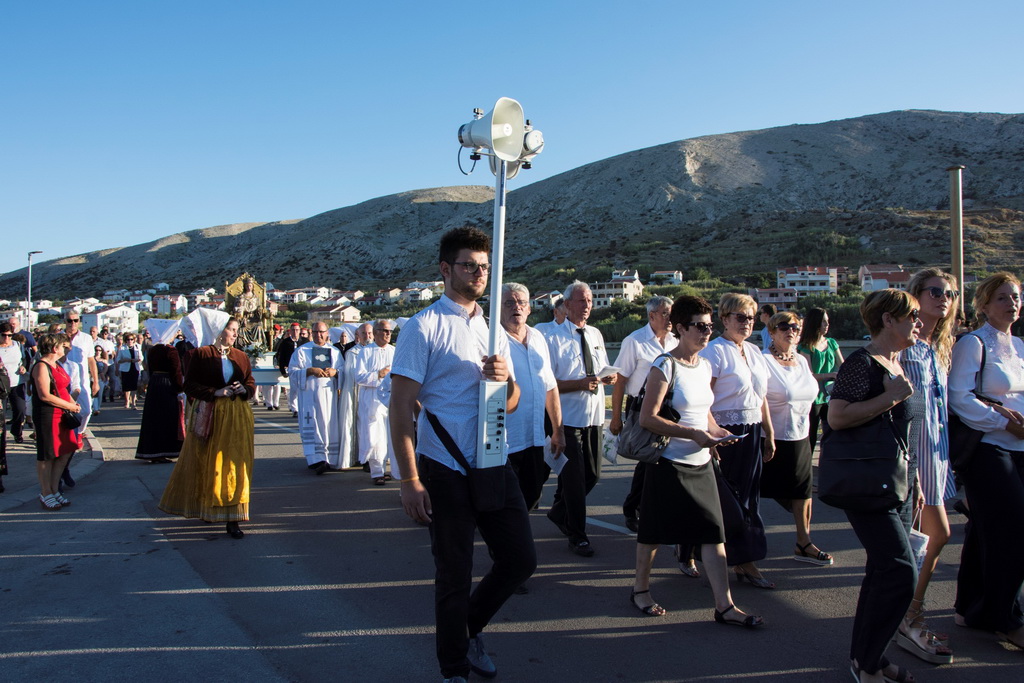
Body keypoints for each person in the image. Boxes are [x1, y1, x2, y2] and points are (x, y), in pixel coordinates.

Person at [390, 226, 533, 683]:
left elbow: (512, 401)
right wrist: (409, 480)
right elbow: (400, 408)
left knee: (520, 560)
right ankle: (453, 667)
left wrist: (505, 381)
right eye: (469, 265)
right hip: (445, 466)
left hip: (493, 458)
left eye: (484, 267)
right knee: (454, 573)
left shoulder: (493, 330)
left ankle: (467, 630)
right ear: (445, 269)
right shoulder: (423, 327)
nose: (479, 274)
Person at [629, 295, 761, 628]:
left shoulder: (704, 366)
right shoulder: (664, 365)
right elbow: (648, 418)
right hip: (668, 463)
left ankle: (724, 606)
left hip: (701, 463)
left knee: (714, 533)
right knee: (653, 533)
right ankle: (640, 590)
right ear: (680, 328)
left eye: (709, 326)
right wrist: (693, 434)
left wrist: (717, 432)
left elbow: (705, 413)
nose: (706, 333)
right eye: (699, 327)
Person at [827, 289, 921, 683]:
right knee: (900, 573)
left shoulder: (895, 363)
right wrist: (891, 397)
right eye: (912, 315)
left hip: (897, 482)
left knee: (882, 572)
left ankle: (869, 659)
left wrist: (915, 483)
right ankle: (867, 664)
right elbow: (837, 417)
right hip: (868, 483)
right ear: (888, 319)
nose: (918, 323)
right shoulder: (861, 363)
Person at [949, 272, 1024, 650]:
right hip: (988, 448)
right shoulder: (973, 343)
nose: (1012, 303)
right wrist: (1002, 423)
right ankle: (1004, 618)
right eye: (1002, 298)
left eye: (1016, 297)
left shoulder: (1020, 345)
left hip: (1019, 448)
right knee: (1013, 530)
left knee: (983, 530)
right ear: (983, 305)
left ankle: (969, 607)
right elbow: (959, 397)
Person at [893, 268, 959, 664]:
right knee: (931, 537)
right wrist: (910, 468)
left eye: (950, 293)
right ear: (916, 295)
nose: (944, 299)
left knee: (919, 542)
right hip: (913, 457)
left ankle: (906, 615)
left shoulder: (940, 346)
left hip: (938, 454)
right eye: (935, 291)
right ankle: (909, 617)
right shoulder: (905, 344)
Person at [700, 292, 775, 587]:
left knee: (749, 497)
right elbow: (703, 399)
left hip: (752, 430)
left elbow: (761, 397)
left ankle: (744, 558)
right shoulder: (715, 351)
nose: (746, 322)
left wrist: (769, 434)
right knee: (731, 500)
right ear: (724, 318)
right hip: (725, 433)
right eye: (740, 317)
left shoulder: (755, 352)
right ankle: (742, 561)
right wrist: (711, 437)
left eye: (751, 318)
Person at [159, 318, 256, 539]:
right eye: (231, 330)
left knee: (234, 465)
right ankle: (207, 507)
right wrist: (215, 392)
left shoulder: (241, 356)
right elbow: (189, 385)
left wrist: (245, 389)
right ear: (219, 331)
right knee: (208, 462)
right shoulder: (201, 354)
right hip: (210, 414)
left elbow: (250, 381)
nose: (235, 334)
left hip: (236, 416)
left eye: (236, 330)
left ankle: (234, 517)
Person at [546, 281, 616, 557]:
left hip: (594, 417)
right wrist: (580, 384)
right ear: (566, 304)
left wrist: (608, 377)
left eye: (589, 300)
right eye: (581, 300)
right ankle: (578, 536)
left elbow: (600, 370)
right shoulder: (552, 338)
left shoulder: (595, 333)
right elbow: (548, 384)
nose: (587, 305)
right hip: (567, 419)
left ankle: (559, 511)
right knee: (575, 482)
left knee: (593, 475)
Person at [760, 311, 832, 565]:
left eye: (796, 327)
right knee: (753, 491)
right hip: (770, 437)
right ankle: (740, 547)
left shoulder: (801, 360)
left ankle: (804, 542)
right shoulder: (763, 360)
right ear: (772, 332)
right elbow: (758, 398)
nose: (791, 330)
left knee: (803, 492)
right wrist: (768, 434)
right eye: (784, 326)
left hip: (801, 434)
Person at [609, 296, 677, 536]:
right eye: (665, 313)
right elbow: (620, 380)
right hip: (640, 407)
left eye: (672, 313)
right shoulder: (635, 341)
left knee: (664, 459)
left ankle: (647, 507)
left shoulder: (675, 341)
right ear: (652, 315)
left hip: (668, 408)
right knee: (648, 458)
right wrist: (616, 417)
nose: (670, 318)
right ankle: (633, 509)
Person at [500, 282, 564, 515]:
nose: (516, 307)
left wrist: (558, 430)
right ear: (498, 308)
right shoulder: (491, 340)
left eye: (521, 303)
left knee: (531, 497)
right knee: (506, 509)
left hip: (536, 440)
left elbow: (550, 387)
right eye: (509, 303)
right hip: (505, 443)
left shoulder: (537, 337)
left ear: (529, 308)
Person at [30, 333, 82, 510]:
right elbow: (44, 395)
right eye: (62, 346)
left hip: (63, 413)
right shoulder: (41, 366)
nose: (65, 349)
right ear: (54, 348)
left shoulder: (57, 365)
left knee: (64, 451)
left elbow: (62, 388)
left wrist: (72, 404)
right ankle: (46, 492)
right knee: (47, 454)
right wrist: (70, 405)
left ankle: (54, 489)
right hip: (48, 415)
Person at [289, 322, 345, 474]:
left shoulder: (334, 352)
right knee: (313, 425)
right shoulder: (302, 351)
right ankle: (315, 460)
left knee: (328, 425)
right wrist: (309, 371)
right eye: (315, 332)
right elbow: (292, 373)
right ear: (311, 333)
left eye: (321, 332)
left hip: (329, 397)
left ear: (327, 333)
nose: (318, 335)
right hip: (309, 397)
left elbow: (343, 371)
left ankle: (330, 459)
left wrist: (335, 372)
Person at [355, 319, 396, 484]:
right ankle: (377, 472)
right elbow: (359, 377)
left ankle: (388, 469)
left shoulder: (395, 351)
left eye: (390, 331)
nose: (388, 334)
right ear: (376, 332)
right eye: (385, 331)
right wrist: (379, 374)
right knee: (374, 436)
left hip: (391, 398)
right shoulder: (365, 352)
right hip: (372, 399)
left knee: (389, 435)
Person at [798, 307, 845, 454]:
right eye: (824, 322)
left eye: (828, 321)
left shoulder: (831, 343)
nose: (827, 325)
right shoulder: (805, 346)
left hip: (830, 395)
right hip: (813, 397)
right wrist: (830, 375)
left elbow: (843, 366)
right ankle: (808, 462)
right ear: (816, 323)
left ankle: (830, 460)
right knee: (811, 434)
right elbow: (808, 374)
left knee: (833, 432)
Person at [134, 344, 185, 463]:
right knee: (166, 418)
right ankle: (163, 451)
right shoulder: (171, 350)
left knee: (153, 418)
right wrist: (179, 388)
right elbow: (176, 370)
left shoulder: (153, 349)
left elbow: (149, 368)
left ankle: (152, 451)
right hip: (167, 384)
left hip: (154, 383)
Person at [0, 322, 28, 444]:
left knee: (20, 410)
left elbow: (24, 359)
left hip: (17, 382)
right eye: (3, 335)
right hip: (1, 385)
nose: (7, 338)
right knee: (1, 414)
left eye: (9, 335)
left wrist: (23, 367)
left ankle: (17, 431)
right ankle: (2, 438)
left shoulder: (17, 345)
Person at [275, 322, 304, 415]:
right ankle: (294, 408)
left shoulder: (305, 341)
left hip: (303, 368)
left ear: (299, 331)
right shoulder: (285, 342)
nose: (295, 332)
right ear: (290, 331)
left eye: (297, 330)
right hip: (292, 368)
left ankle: (302, 406)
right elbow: (281, 357)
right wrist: (282, 370)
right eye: (293, 330)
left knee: (303, 388)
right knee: (293, 388)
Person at [117, 333, 143, 410]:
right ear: (126, 340)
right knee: (126, 386)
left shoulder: (137, 347)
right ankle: (127, 401)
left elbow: (141, 357)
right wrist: (126, 360)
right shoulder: (122, 348)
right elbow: (118, 360)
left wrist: (138, 360)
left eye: (131, 339)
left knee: (134, 386)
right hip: (126, 369)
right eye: (128, 339)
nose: (130, 341)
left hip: (135, 368)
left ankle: (133, 403)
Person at [93, 346, 109, 415]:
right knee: (93, 393)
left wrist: (102, 375)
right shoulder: (92, 359)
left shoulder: (104, 360)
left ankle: (98, 407)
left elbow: (105, 369)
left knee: (100, 393)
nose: (98, 351)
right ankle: (94, 407)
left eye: (99, 350)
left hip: (101, 378)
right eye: (96, 350)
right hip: (93, 378)